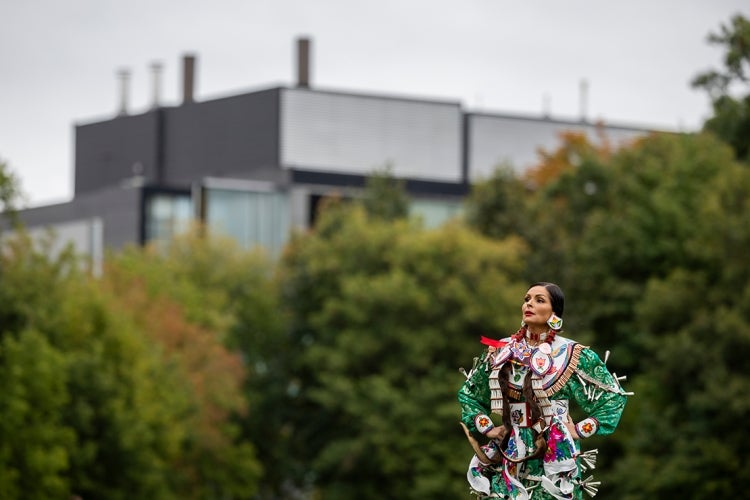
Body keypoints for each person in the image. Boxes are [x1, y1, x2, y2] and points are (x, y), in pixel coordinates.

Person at [457, 282, 629, 499]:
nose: (529, 303)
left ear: (554, 312)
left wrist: (579, 429)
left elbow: (613, 397)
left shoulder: (571, 354)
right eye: (527, 299)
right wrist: (488, 428)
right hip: (509, 451)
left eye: (539, 300)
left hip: (554, 453)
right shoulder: (502, 350)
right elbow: (469, 393)